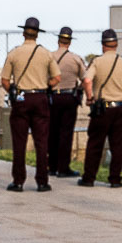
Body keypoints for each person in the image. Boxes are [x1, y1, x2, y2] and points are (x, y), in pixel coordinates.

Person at [0, 16, 60, 192]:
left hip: (21, 98)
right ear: (37, 35)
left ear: (23, 33)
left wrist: (13, 89)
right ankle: (42, 181)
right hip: (40, 98)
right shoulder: (46, 53)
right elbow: (57, 78)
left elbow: (4, 80)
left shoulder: (14, 53)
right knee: (42, 142)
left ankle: (18, 181)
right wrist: (45, 86)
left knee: (19, 142)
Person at [80, 29, 122, 188]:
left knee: (95, 144)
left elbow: (87, 80)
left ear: (102, 45)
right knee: (117, 145)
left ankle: (89, 178)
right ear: (116, 45)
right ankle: (115, 179)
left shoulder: (97, 62)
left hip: (102, 108)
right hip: (121, 109)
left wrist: (90, 97)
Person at [48, 27, 87, 178]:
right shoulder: (76, 58)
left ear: (58, 40)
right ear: (69, 42)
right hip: (69, 97)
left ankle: (51, 166)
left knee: (52, 132)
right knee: (66, 133)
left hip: (53, 97)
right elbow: (85, 79)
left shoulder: (50, 57)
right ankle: (63, 168)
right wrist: (78, 88)